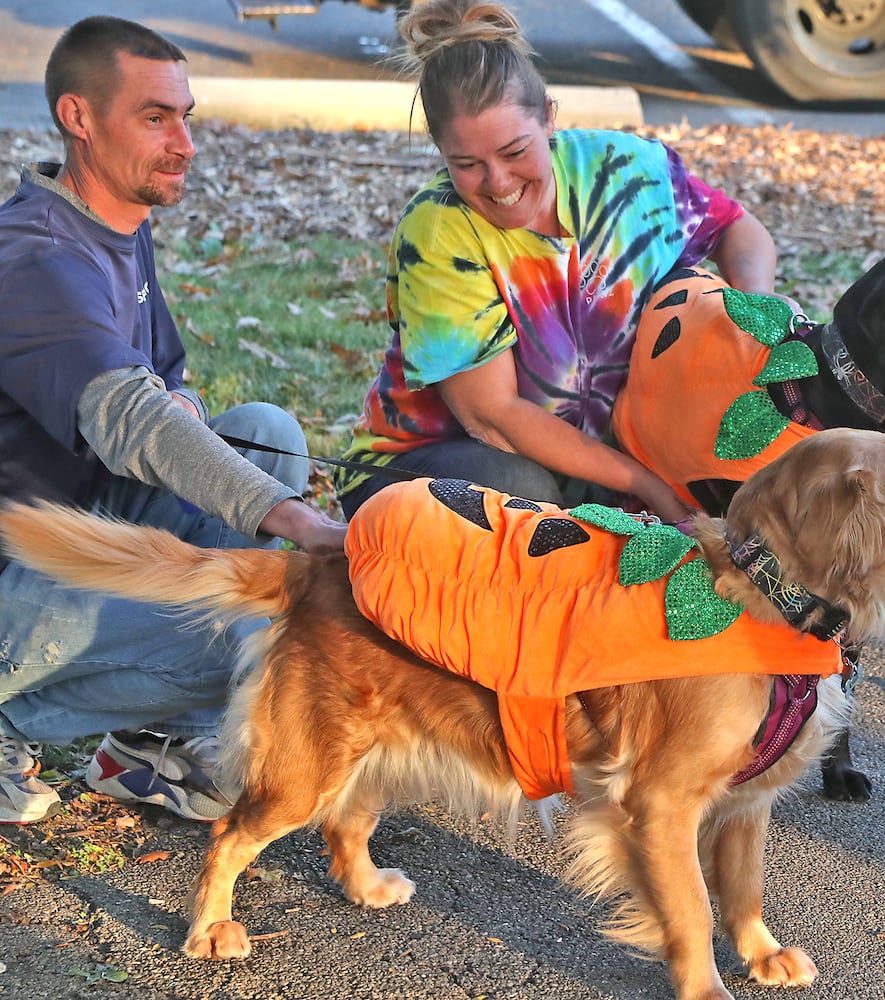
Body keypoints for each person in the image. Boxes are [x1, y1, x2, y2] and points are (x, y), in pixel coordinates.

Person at [0, 16, 347, 825]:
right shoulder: (36, 258)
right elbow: (131, 417)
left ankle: (150, 746)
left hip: (81, 525)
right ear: (78, 118)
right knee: (255, 631)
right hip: (18, 569)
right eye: (155, 118)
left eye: (184, 116)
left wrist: (182, 405)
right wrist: (298, 520)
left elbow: (164, 389)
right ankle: (11, 716)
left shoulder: (118, 221)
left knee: (270, 431)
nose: (184, 142)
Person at [335, 0, 787, 524]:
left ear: (549, 116)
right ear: (441, 153)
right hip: (423, 469)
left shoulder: (627, 171)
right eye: (467, 164)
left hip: (596, 458)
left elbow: (736, 228)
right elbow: (494, 420)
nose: (499, 183)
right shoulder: (437, 230)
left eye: (514, 151)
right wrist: (644, 484)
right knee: (523, 492)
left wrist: (760, 320)